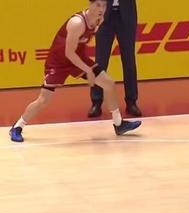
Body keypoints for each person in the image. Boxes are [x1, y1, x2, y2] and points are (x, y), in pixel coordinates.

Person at [8, 0, 141, 143]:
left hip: (78, 58)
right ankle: (17, 126)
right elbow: (69, 53)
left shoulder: (99, 20)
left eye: (104, 6)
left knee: (109, 83)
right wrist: (88, 71)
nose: (101, 9)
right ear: (89, 4)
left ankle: (118, 124)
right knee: (43, 100)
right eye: (97, 5)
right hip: (59, 62)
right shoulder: (77, 23)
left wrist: (89, 68)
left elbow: (78, 49)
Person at [88, 0, 142, 118]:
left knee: (129, 60)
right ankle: (96, 101)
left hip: (126, 14)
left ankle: (131, 101)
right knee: (100, 61)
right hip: (103, 14)